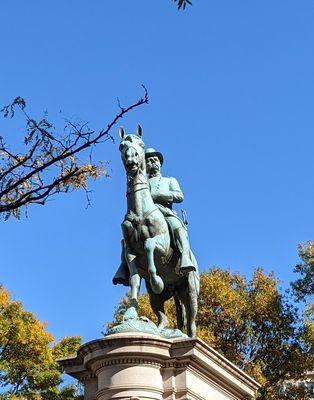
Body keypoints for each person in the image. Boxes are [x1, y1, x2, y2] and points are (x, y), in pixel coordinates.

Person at [145, 147, 195, 272]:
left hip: (165, 212)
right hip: (146, 214)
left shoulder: (170, 180)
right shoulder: (143, 183)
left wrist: (159, 195)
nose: (152, 163)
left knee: (178, 227)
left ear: (160, 163)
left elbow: (179, 196)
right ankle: (125, 265)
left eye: (155, 160)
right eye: (149, 161)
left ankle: (185, 257)